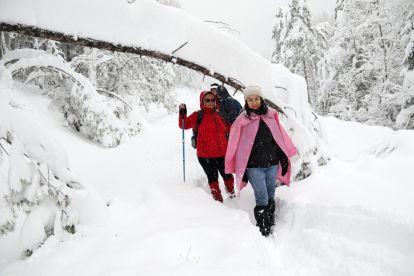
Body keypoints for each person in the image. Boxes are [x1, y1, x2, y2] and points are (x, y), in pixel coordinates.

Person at [225, 85, 297, 236]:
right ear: (246, 101)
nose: (254, 102)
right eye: (250, 99)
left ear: (261, 99)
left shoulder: (271, 116)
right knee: (261, 195)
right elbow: (236, 145)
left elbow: (279, 139)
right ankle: (263, 226)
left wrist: (283, 158)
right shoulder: (241, 121)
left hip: (271, 164)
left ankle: (269, 218)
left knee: (270, 192)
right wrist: (241, 169)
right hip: (253, 167)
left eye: (256, 98)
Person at [179, 91, 235, 202]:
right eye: (207, 100)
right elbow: (184, 124)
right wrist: (182, 114)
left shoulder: (220, 115)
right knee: (213, 178)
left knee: (228, 176)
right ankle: (218, 200)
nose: (210, 102)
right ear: (202, 102)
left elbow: (232, 129)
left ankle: (231, 193)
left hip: (222, 153)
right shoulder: (198, 115)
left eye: (212, 100)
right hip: (206, 156)